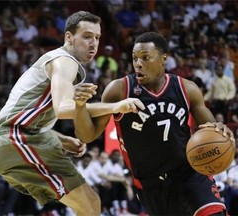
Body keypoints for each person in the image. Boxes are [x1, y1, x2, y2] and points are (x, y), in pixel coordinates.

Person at [0, 11, 143, 216]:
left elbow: (29, 115)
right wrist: (115, 106)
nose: (93, 43)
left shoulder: (57, 62)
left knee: (87, 205)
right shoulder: (65, 61)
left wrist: (60, 139)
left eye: (97, 37)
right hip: (16, 140)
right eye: (87, 36)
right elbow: (63, 109)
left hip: (13, 142)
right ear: (69, 37)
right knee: (89, 204)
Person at [73, 32, 236, 215]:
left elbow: (211, 129)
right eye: (135, 58)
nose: (138, 63)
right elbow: (88, 135)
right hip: (150, 184)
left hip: (189, 174)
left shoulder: (186, 89)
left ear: (163, 59)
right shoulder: (119, 90)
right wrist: (80, 107)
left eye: (145, 57)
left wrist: (220, 131)